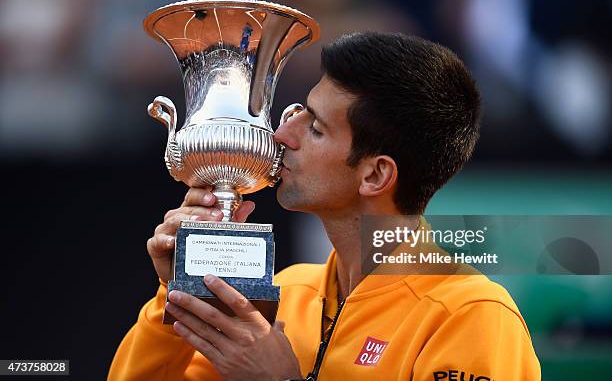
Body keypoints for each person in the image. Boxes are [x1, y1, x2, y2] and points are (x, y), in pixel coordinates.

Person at [109, 32, 541, 380]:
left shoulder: (472, 317)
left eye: (314, 127)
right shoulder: (286, 292)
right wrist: (177, 295)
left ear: (375, 175)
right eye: (297, 111)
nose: (283, 135)